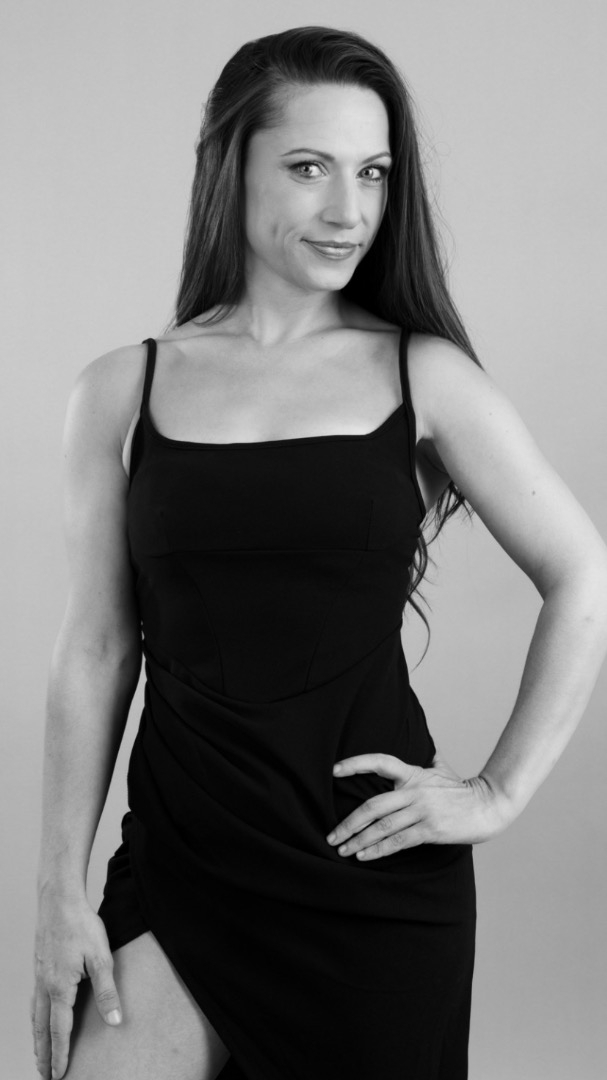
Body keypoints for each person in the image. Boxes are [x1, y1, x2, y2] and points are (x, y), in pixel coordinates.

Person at [31, 24, 607, 1080]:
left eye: (372, 173)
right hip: (181, 859)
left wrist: (495, 793)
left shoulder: (425, 377)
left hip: (367, 880)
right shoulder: (118, 390)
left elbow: (583, 576)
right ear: (227, 165)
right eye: (309, 168)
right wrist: (57, 892)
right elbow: (98, 649)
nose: (349, 211)